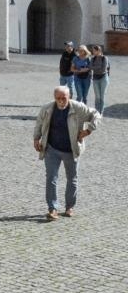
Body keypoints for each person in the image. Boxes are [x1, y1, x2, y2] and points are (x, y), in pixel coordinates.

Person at [33, 84, 99, 220]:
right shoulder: (47, 109)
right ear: (54, 98)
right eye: (58, 98)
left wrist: (88, 130)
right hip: (52, 149)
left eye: (64, 98)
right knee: (51, 178)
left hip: (71, 149)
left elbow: (96, 115)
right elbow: (39, 123)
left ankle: (69, 207)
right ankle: (52, 209)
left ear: (69, 97)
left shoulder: (78, 108)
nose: (61, 101)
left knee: (72, 179)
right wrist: (36, 138)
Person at [90, 45, 110, 113]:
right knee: (97, 96)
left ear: (99, 51)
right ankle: (96, 111)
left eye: (94, 50)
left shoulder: (104, 58)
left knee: (102, 96)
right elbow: (90, 67)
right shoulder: (93, 58)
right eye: (92, 50)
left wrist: (95, 67)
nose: (93, 52)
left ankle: (101, 111)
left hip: (103, 78)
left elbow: (103, 69)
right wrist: (98, 66)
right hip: (95, 78)